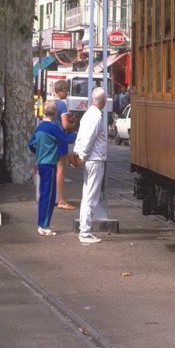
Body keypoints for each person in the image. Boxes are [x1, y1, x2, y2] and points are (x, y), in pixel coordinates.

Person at [28, 100, 78, 236]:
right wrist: (79, 133)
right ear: (55, 113)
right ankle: (44, 225)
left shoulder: (39, 127)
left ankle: (42, 224)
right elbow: (66, 139)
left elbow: (31, 144)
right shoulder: (53, 128)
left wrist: (39, 151)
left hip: (41, 164)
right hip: (50, 163)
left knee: (44, 194)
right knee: (49, 196)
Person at [72, 87, 108, 244]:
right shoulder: (97, 117)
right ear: (104, 100)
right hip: (94, 160)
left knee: (86, 195)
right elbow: (89, 139)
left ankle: (84, 229)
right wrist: (83, 156)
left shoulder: (87, 114)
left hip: (89, 159)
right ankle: (85, 232)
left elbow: (80, 136)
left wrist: (77, 153)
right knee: (91, 197)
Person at [53, 79, 76, 210]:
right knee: (61, 170)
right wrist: (73, 124)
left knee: (53, 169)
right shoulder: (62, 104)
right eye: (66, 90)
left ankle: (54, 198)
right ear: (61, 91)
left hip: (51, 139)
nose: (67, 92)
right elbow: (65, 124)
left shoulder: (50, 103)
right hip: (61, 139)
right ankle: (61, 199)